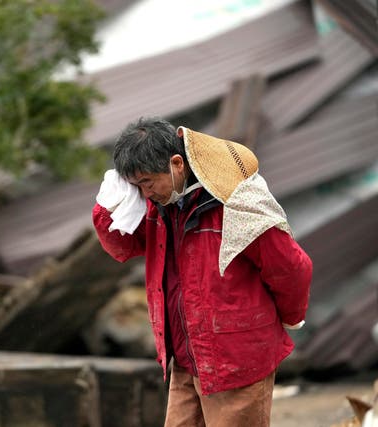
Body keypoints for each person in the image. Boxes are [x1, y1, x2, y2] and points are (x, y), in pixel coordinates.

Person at [92, 117, 312, 427]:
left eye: (147, 182)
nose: (144, 193)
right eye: (136, 186)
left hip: (237, 360)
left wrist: (289, 317)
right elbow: (123, 245)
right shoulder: (162, 203)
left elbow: (292, 267)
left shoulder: (237, 202)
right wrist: (107, 207)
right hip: (186, 358)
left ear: (177, 163)